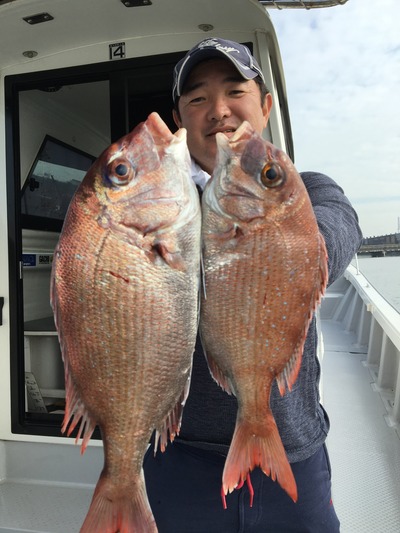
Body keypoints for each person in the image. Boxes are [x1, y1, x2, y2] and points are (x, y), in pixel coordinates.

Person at [144, 37, 363, 532]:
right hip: (178, 455)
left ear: (264, 106)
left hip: (293, 448)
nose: (218, 111)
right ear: (180, 122)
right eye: (197, 99)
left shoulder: (301, 186)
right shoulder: (158, 213)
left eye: (235, 91)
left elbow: (342, 223)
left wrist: (275, 241)